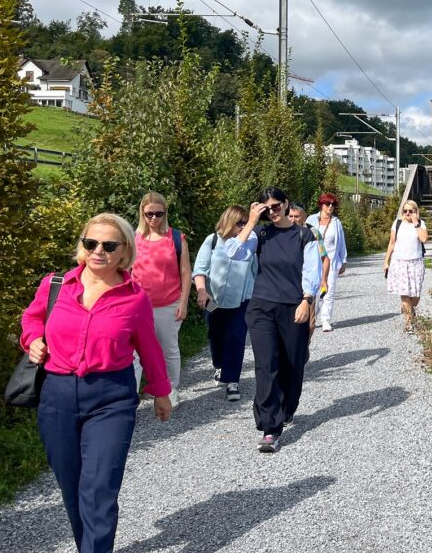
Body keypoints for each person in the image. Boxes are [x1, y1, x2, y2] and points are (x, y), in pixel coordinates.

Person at [22, 213, 172, 553]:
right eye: (91, 244)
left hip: (112, 397)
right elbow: (31, 318)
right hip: (56, 394)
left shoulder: (134, 297)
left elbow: (149, 347)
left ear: (125, 251)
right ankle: (88, 550)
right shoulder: (56, 285)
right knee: (72, 487)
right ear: (82, 246)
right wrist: (32, 340)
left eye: (108, 246)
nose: (98, 252)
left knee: (99, 489)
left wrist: (160, 392)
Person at [226, 188, 320, 453]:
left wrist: (307, 300)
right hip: (262, 307)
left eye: (276, 205)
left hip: (294, 307)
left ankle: (287, 407)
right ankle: (270, 427)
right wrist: (252, 222)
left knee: (293, 364)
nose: (273, 211)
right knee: (266, 366)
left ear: (286, 204)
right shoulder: (259, 235)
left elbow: (312, 270)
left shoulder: (304, 235)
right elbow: (232, 253)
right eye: (267, 208)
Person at [191, 205, 258, 402]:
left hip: (242, 301)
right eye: (240, 223)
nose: (243, 227)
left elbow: (256, 271)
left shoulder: (250, 244)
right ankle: (219, 364)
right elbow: (200, 269)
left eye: (246, 224)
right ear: (229, 221)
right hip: (214, 301)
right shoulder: (212, 241)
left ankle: (232, 381)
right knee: (215, 335)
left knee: (236, 338)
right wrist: (202, 292)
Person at [132, 191, 191, 409]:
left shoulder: (176, 238)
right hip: (137, 306)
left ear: (165, 213)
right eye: (149, 214)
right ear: (142, 214)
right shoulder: (132, 239)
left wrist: (184, 302)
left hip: (168, 303)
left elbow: (186, 272)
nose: (154, 218)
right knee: (133, 354)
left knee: (168, 349)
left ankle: (171, 390)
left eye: (159, 213)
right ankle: (131, 395)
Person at [383, 201, 429, 332]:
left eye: (411, 211)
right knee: (404, 293)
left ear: (416, 211)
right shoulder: (397, 224)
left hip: (416, 263)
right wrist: (386, 261)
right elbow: (391, 243)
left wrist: (416, 223)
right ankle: (409, 323)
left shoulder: (421, 224)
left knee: (415, 294)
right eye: (405, 211)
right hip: (400, 262)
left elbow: (424, 239)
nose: (408, 213)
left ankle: (410, 309)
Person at [288, 204, 330, 344]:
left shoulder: (313, 233)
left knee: (310, 323)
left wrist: (324, 279)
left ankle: (304, 347)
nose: (293, 219)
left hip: (308, 283)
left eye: (296, 216)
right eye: (290, 216)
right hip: (288, 283)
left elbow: (324, 258)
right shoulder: (282, 233)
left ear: (304, 217)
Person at [306, 193, 348, 332]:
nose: (331, 207)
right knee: (314, 290)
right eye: (328, 204)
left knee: (328, 290)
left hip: (332, 260)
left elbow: (341, 242)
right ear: (321, 205)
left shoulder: (336, 222)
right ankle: (313, 315)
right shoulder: (311, 219)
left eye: (333, 205)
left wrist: (343, 260)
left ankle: (326, 320)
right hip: (313, 260)